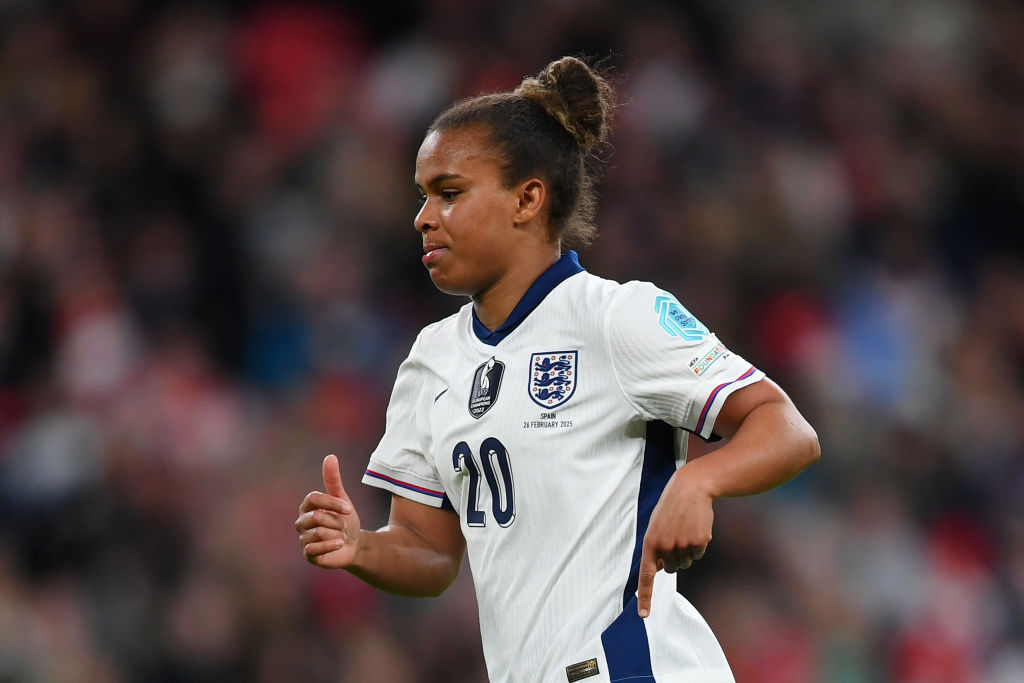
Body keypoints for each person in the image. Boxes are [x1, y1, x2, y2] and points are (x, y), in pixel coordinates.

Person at [295, 56, 820, 683]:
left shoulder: (615, 317)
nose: (424, 217)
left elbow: (786, 428)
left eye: (450, 193)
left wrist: (699, 482)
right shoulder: (432, 361)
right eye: (423, 195)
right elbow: (431, 551)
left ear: (527, 199)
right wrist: (361, 547)